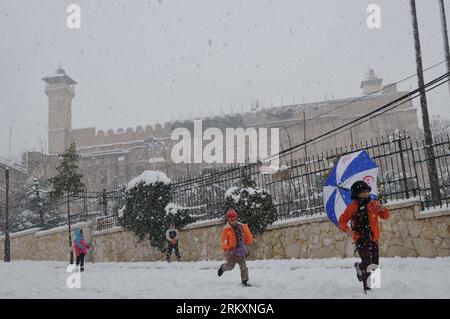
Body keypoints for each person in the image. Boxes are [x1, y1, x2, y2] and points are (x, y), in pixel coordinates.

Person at [338, 180, 390, 292]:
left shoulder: (373, 204)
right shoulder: (352, 207)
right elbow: (342, 221)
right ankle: (369, 289)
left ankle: (373, 282)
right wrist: (348, 230)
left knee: (375, 262)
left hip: (373, 237)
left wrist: (383, 209)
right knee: (367, 262)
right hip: (360, 238)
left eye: (366, 191)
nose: (365, 194)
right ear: (356, 194)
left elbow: (386, 216)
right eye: (362, 192)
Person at [217, 208, 254, 287]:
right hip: (231, 252)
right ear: (228, 220)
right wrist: (226, 249)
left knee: (243, 266)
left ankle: (244, 281)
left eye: (234, 219)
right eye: (231, 220)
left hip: (240, 251)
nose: (233, 221)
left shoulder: (241, 226)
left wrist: (247, 244)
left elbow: (247, 236)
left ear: (236, 218)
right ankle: (223, 268)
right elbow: (223, 241)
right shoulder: (226, 230)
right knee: (230, 266)